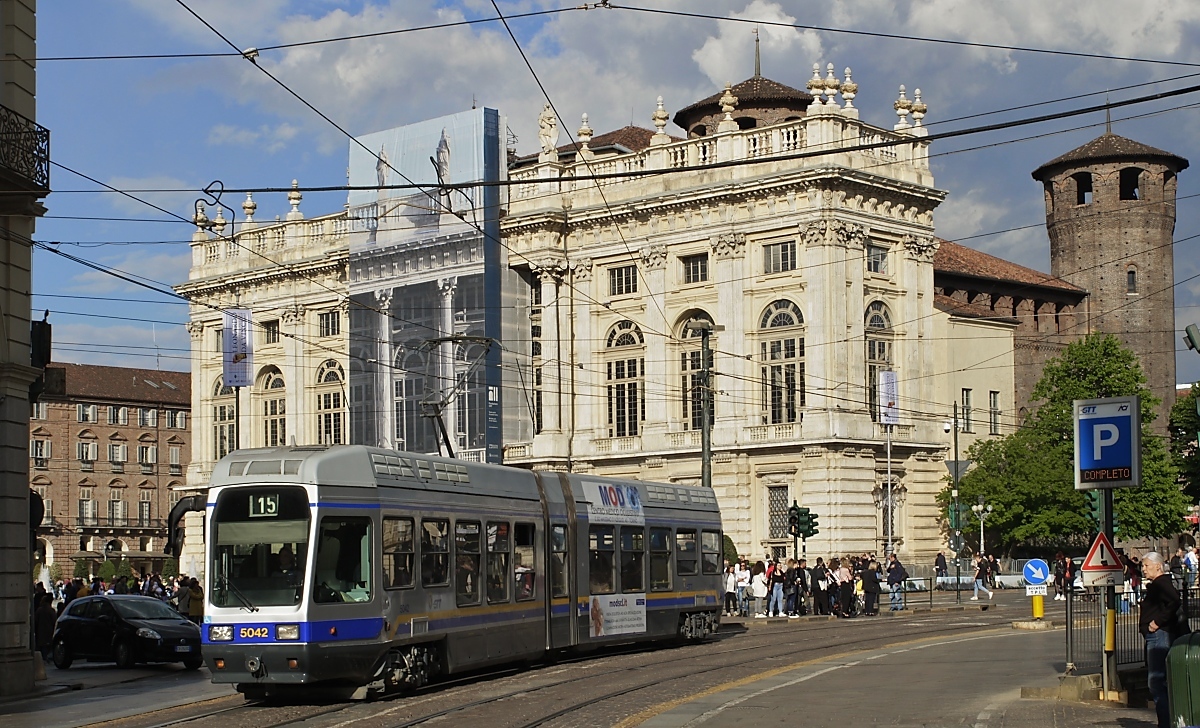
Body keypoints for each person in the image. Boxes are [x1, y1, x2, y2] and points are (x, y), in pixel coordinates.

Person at [1141, 551, 1189, 728]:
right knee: (1158, 681)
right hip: (1156, 636)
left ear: (1158, 566)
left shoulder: (1162, 583)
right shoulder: (1158, 584)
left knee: (1156, 681)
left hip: (1159, 636)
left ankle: (1166, 723)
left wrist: (1156, 622)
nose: (1143, 569)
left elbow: (1174, 600)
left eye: (1146, 566)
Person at [34, 593, 57, 662]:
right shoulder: (51, 610)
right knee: (48, 646)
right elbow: (54, 621)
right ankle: (47, 658)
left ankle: (44, 658)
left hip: (40, 632)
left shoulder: (39, 610)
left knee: (42, 646)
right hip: (49, 631)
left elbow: (35, 621)